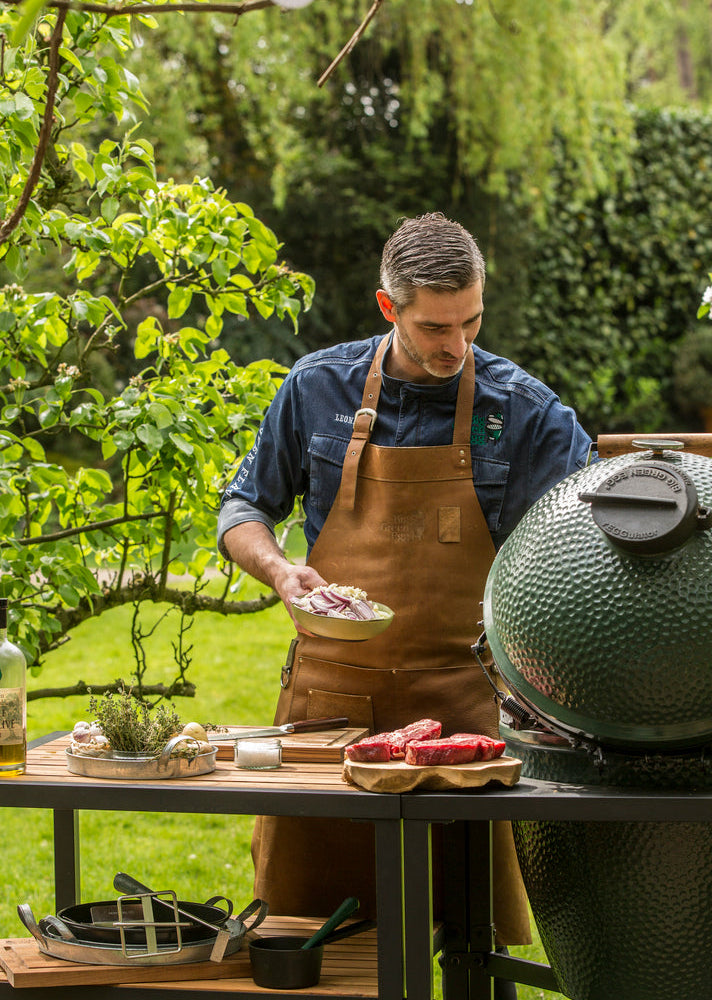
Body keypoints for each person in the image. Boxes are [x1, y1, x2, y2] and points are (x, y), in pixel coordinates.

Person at [217, 212, 592, 960]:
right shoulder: (316, 387)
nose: (455, 345)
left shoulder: (522, 411)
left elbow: (581, 537)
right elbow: (244, 506)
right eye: (433, 327)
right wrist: (278, 569)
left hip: (467, 718)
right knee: (310, 938)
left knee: (471, 947)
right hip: (328, 718)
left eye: (471, 321)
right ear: (388, 308)